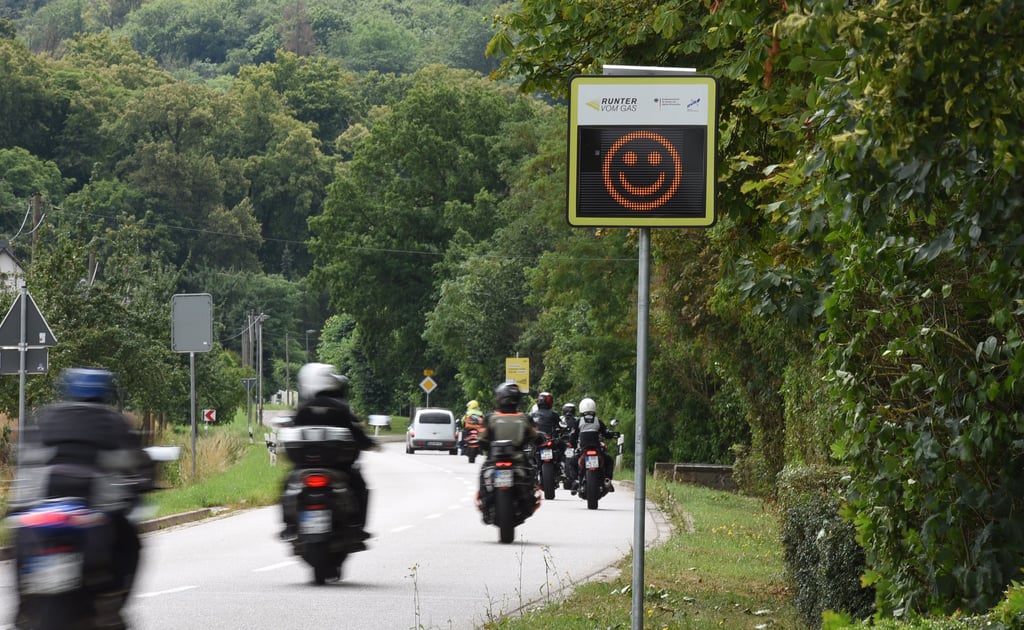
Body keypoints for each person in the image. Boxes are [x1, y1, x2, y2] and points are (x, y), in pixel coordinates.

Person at [11, 367, 154, 629]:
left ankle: (23, 606)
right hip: (93, 512)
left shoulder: (46, 418)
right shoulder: (113, 423)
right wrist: (144, 483)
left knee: (20, 536)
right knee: (131, 544)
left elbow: (25, 461)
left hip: (40, 510)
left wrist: (19, 505)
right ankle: (112, 603)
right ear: (104, 393)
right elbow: (136, 465)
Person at [280, 363, 377, 547]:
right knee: (360, 486)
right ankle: (357, 527)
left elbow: (289, 430)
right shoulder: (341, 408)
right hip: (339, 468)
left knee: (286, 484)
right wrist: (370, 444)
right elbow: (357, 433)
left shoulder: (303, 409)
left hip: (304, 467)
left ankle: (290, 526)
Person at [477, 381, 538, 521]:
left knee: (483, 476)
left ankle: (485, 504)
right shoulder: (524, 418)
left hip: (494, 459)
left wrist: (482, 445)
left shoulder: (490, 418)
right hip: (519, 460)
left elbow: (482, 438)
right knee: (531, 475)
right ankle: (528, 500)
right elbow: (534, 436)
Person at [573, 397, 616, 493]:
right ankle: (607, 480)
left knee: (572, 462)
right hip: (596, 448)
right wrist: (612, 434)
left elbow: (573, 436)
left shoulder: (579, 421)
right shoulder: (598, 421)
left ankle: (576, 480)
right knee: (609, 461)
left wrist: (572, 445)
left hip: (584, 449)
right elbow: (606, 433)